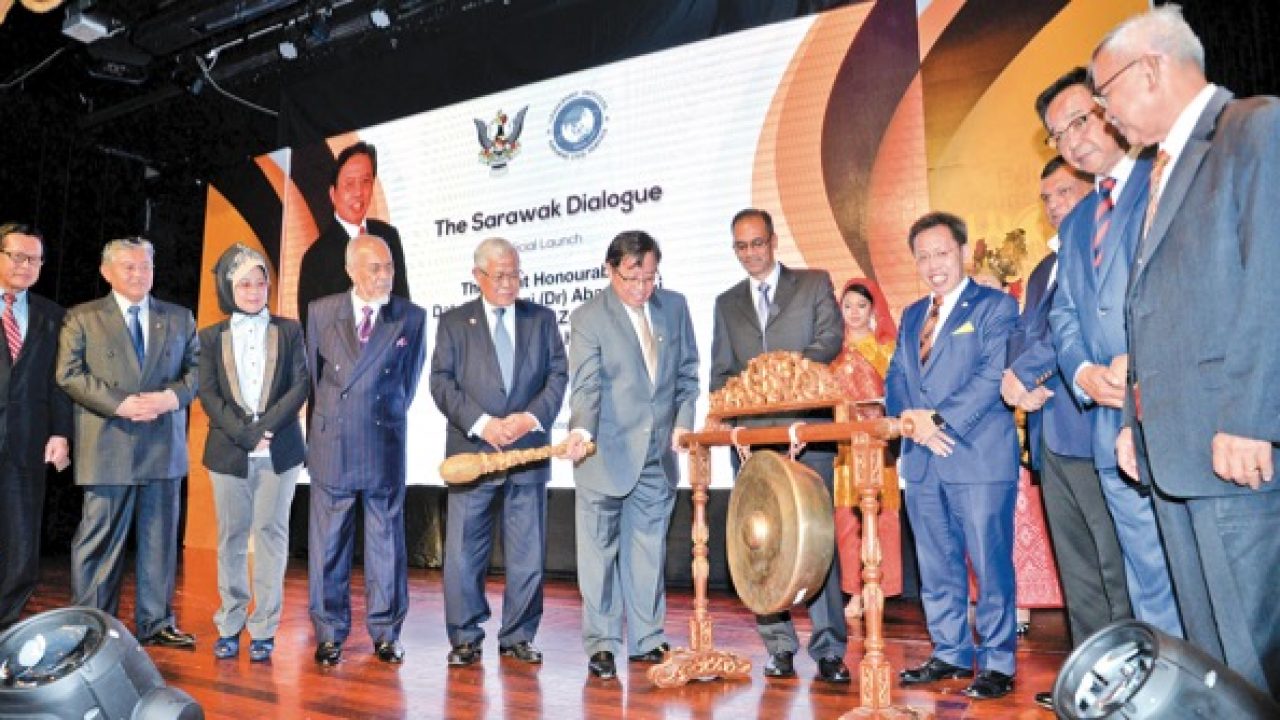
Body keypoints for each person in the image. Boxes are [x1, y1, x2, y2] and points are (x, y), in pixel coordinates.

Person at [1095, 6, 1280, 698]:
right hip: (1175, 454)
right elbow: (1153, 310)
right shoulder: (1158, 170)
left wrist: (1250, 420)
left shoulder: (1252, 128)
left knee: (1256, 656)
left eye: (1105, 91)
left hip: (1232, 446)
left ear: (1150, 69)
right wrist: (1134, 422)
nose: (1106, 112)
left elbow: (1270, 282)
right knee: (1214, 664)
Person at [1040, 66, 1183, 638]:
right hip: (1106, 423)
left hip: (1170, 413)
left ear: (1110, 109)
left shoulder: (1166, 178)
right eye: (1058, 134)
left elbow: (1183, 290)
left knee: (1194, 574)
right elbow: (1064, 312)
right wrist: (1081, 371)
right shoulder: (1077, 222)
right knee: (1145, 577)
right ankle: (1166, 677)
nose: (1072, 140)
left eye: (1080, 120)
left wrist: (1135, 368)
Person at [709, 208, 850, 685]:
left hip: (808, 434)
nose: (750, 253)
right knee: (762, 546)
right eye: (741, 246)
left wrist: (783, 376)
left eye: (757, 243)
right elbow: (721, 372)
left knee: (817, 542)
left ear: (773, 242)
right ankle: (779, 647)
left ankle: (829, 650)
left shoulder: (812, 284)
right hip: (751, 443)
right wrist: (727, 412)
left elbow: (830, 339)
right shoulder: (726, 303)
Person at [886, 212, 1019, 700]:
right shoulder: (911, 316)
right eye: (923, 257)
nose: (933, 265)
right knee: (936, 563)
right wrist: (910, 420)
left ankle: (998, 662)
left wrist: (938, 420)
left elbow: (992, 374)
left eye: (941, 253)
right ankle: (950, 652)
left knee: (989, 563)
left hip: (977, 455)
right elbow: (896, 377)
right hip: (922, 458)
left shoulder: (996, 306)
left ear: (962, 252)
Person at [561, 231, 699, 681]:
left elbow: (687, 374)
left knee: (647, 551)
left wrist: (683, 422)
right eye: (631, 279)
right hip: (604, 452)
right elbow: (586, 386)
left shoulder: (674, 307)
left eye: (649, 278)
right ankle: (602, 644)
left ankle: (647, 638)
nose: (642, 288)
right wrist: (580, 430)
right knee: (598, 557)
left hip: (657, 455)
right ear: (610, 270)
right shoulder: (588, 317)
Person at [429, 237, 568, 668]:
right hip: (473, 453)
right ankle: (465, 638)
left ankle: (518, 636)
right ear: (478, 276)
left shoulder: (542, 319)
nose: (510, 283)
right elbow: (441, 382)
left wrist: (530, 418)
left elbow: (558, 375)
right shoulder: (454, 322)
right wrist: (482, 423)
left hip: (528, 453)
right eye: (500, 275)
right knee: (463, 553)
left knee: (528, 554)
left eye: (515, 274)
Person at [56, 237, 200, 647]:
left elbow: (198, 370)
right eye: (129, 266)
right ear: (106, 272)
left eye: (146, 266)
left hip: (162, 446)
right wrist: (119, 404)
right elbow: (68, 374)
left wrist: (171, 397)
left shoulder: (179, 317)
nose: (139, 274)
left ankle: (157, 623)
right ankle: (92, 625)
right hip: (108, 442)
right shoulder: (82, 317)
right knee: (98, 541)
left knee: (160, 542)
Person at [306, 233, 426, 667]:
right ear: (351, 270)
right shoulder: (321, 312)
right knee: (328, 544)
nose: (384, 275)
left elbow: (408, 384)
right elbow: (314, 378)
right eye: (375, 268)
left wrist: (384, 415)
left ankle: (387, 634)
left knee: (386, 544)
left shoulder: (411, 317)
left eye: (389, 267)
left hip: (382, 441)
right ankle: (329, 633)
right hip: (332, 443)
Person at [197, 244, 309, 663]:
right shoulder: (210, 337)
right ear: (229, 288)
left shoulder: (290, 330)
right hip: (229, 450)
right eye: (244, 284)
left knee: (271, 535)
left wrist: (265, 430)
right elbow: (208, 394)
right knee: (231, 536)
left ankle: (264, 628)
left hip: (279, 450)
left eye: (260, 283)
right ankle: (230, 623)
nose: (253, 291)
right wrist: (246, 435)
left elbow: (300, 385)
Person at [0, 223, 72, 630]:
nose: (26, 266)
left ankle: (6, 623)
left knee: (22, 539)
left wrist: (60, 433)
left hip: (27, 442)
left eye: (35, 259)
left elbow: (59, 383)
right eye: (18, 256)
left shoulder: (53, 316)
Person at [828, 279, 902, 604]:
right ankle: (855, 592)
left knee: (883, 515)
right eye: (847, 306)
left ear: (873, 309)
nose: (854, 312)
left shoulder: (886, 349)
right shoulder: (832, 353)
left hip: (878, 446)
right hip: (843, 447)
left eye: (861, 305)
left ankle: (882, 588)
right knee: (847, 518)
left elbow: (899, 393)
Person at [297, 142, 410, 330]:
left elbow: (403, 304)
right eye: (349, 184)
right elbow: (312, 329)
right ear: (333, 194)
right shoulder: (316, 257)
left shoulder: (388, 236)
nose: (358, 192)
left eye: (366, 182)